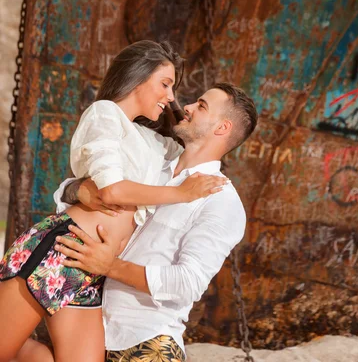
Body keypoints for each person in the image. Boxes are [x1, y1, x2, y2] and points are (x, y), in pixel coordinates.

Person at [0, 41, 226, 362]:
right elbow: (112, 191)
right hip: (60, 250)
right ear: (137, 78)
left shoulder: (156, 144)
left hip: (92, 269)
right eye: (165, 84)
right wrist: (181, 193)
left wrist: (193, 125)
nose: (171, 97)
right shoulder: (104, 113)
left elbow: (198, 150)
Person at [51, 82, 258, 362]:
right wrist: (77, 190)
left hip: (147, 342)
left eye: (201, 106)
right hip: (88, 327)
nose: (186, 107)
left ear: (222, 128)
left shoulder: (222, 202)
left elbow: (188, 282)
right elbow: (72, 191)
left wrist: (109, 265)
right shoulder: (151, 164)